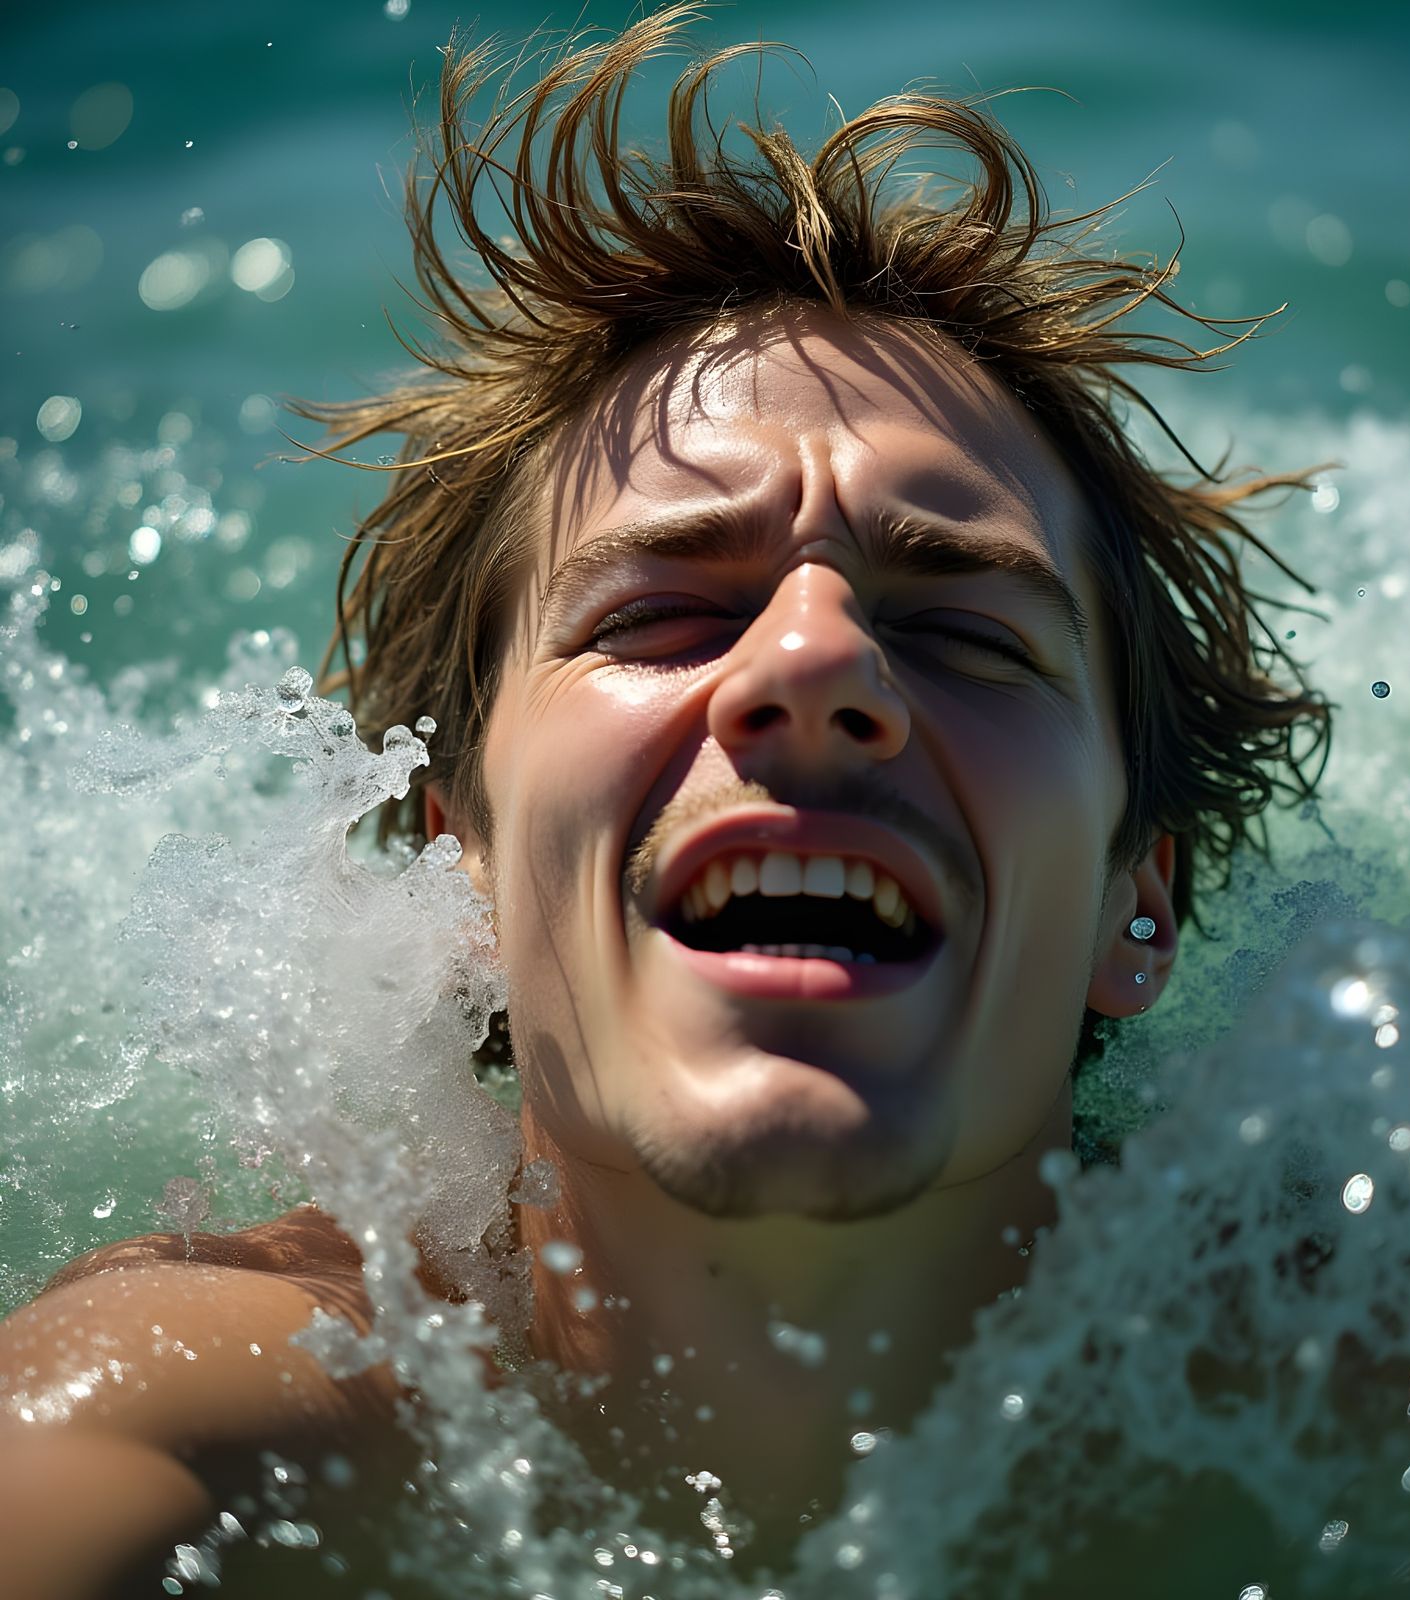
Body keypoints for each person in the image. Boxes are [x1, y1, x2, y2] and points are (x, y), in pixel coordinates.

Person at [0, 7, 1330, 1595]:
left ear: (1144, 900)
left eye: (969, 632)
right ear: (461, 872)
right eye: (653, 615)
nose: (816, 661)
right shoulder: (179, 1431)